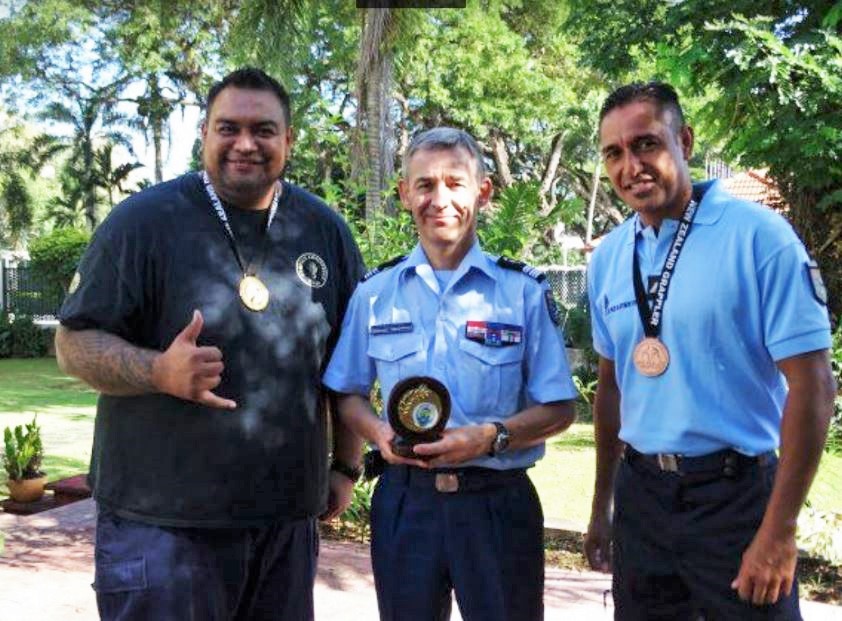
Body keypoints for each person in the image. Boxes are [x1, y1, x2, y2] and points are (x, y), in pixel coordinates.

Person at [54, 67, 365, 621]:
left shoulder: (324, 230)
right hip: (162, 527)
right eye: (229, 128)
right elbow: (72, 342)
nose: (245, 143)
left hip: (283, 526)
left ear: (288, 140)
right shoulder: (144, 222)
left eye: (264, 130)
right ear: (204, 133)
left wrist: (345, 467)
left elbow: (347, 363)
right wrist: (158, 371)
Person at [584, 81, 836, 619]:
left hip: (736, 500)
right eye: (614, 153)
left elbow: (813, 386)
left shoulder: (758, 237)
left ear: (686, 141)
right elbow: (611, 388)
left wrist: (779, 531)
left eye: (646, 143)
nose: (632, 165)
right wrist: (602, 503)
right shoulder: (607, 258)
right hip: (643, 500)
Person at [323, 127, 578, 621]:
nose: (439, 199)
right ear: (404, 194)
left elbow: (561, 407)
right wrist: (380, 434)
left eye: (454, 183)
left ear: (482, 192)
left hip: (496, 504)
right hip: (406, 505)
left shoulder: (520, 292)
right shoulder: (374, 293)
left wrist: (488, 437)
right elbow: (347, 392)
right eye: (424, 185)